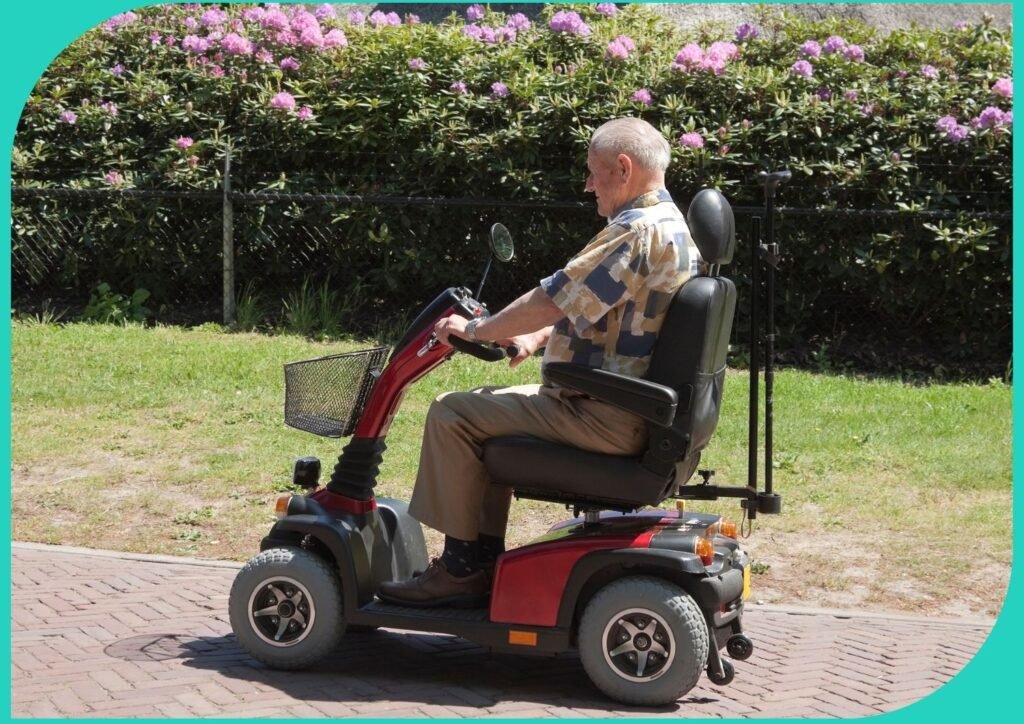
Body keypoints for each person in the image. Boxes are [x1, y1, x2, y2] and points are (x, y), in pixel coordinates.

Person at [378, 117, 702, 608]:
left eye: (594, 172)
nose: (588, 184)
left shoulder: (634, 232)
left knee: (454, 412)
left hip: (602, 414)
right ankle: (481, 561)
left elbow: (554, 296)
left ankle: (463, 569)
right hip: (629, 408)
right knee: (484, 413)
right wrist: (536, 335)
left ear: (623, 167)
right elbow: (607, 310)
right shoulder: (673, 229)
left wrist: (478, 330)